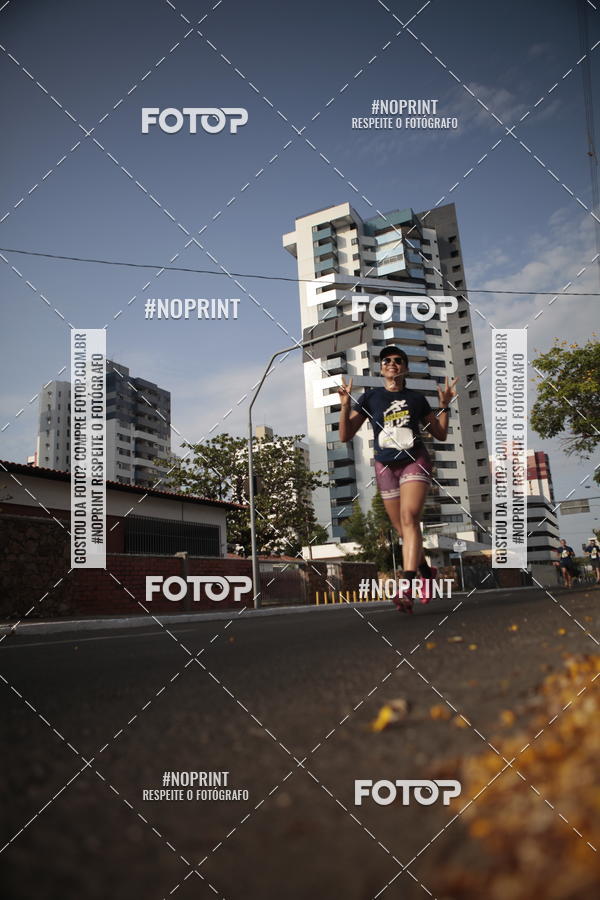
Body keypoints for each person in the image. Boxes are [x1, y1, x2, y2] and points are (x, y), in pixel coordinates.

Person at [338, 345, 457, 613]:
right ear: (381, 368)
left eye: (398, 360)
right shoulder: (371, 398)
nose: (392, 363)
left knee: (409, 519)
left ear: (405, 368)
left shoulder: (416, 399)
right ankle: (427, 572)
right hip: (385, 466)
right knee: (404, 530)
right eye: (387, 361)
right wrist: (344, 406)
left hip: (415, 460)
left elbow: (440, 434)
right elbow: (345, 435)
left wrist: (445, 406)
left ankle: (407, 587)